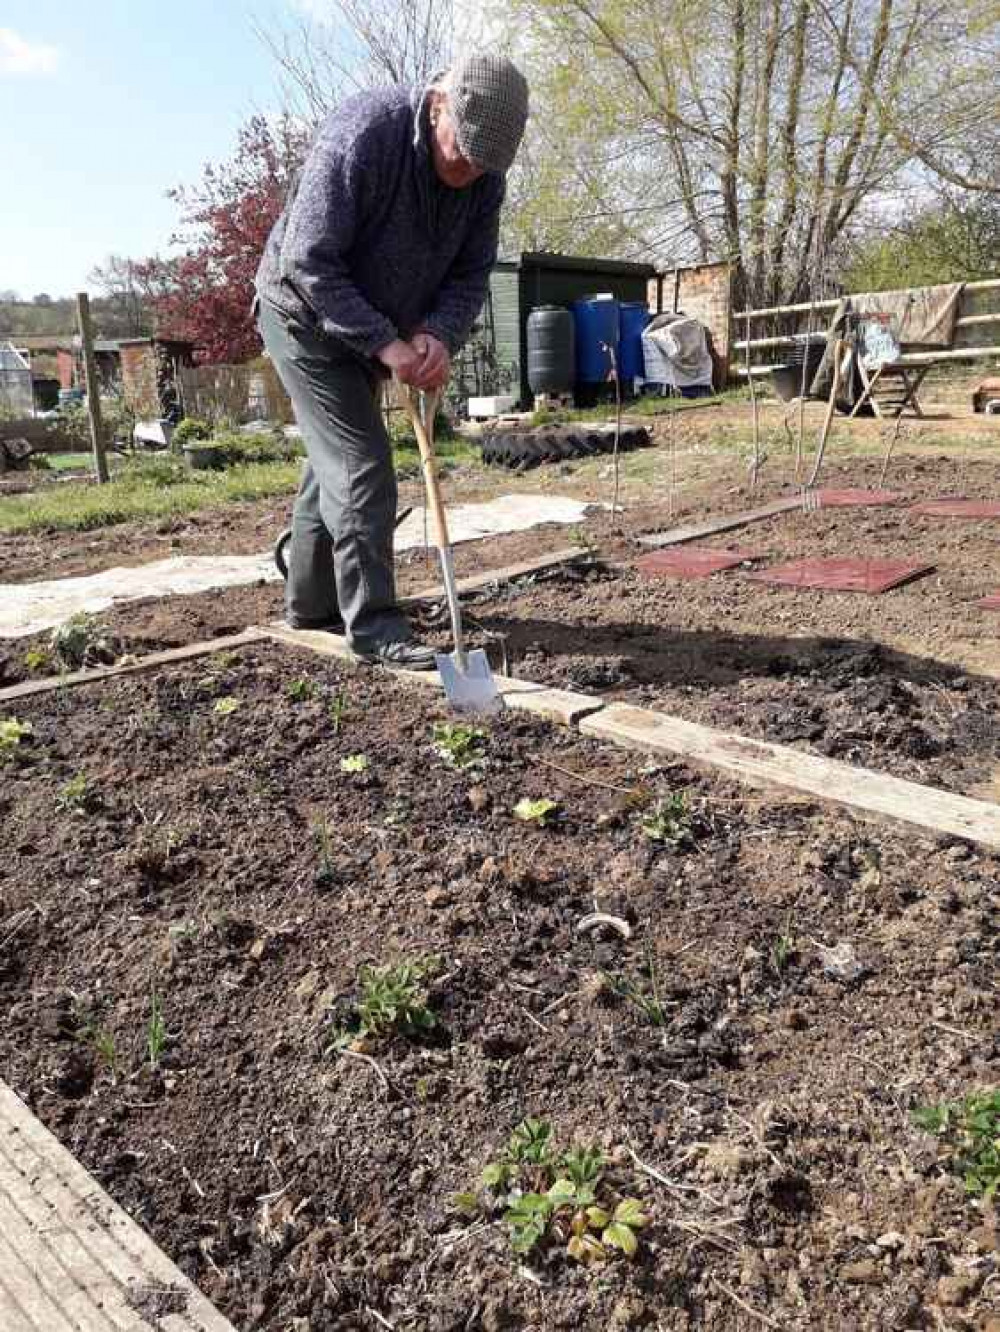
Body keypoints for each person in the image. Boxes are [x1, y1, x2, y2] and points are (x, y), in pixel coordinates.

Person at [255, 53, 529, 669]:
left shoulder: (484, 179)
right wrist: (386, 343)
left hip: (381, 324)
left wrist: (438, 334)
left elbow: (470, 273)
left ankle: (310, 605)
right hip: (302, 315)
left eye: (488, 162)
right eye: (464, 151)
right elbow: (309, 261)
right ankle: (376, 629)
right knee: (361, 462)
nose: (472, 171)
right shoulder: (363, 136)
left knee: (336, 463)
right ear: (438, 107)